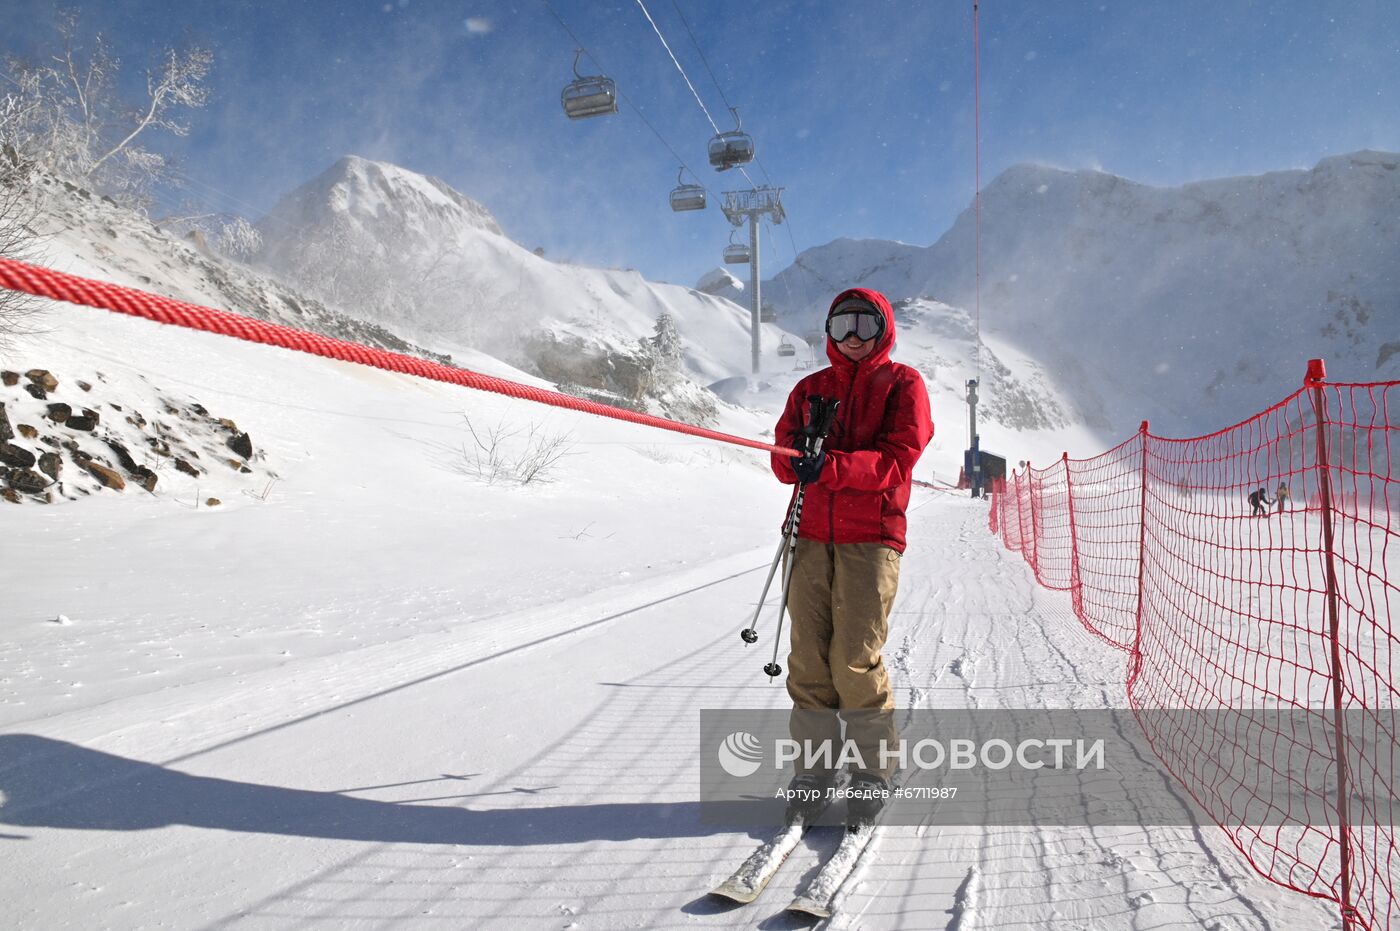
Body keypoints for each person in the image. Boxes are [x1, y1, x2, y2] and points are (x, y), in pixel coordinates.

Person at [771, 288, 933, 827]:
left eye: (865, 324)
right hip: (810, 535)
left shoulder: (904, 384)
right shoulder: (810, 388)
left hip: (872, 541)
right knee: (809, 661)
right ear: (829, 332)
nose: (854, 337)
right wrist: (799, 463)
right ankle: (814, 771)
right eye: (842, 326)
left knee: (854, 659)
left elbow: (897, 459)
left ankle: (871, 771)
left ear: (884, 327)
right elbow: (782, 456)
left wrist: (832, 467)